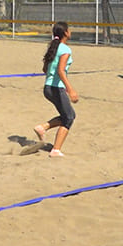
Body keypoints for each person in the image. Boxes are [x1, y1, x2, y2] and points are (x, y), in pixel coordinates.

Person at [32, 21, 78, 157]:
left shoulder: (53, 47)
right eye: (69, 30)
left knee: (67, 115)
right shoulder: (65, 49)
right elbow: (61, 71)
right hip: (57, 88)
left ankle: (43, 128)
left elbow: (45, 69)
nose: (70, 32)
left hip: (48, 87)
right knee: (69, 117)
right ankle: (55, 150)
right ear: (65, 33)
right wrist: (70, 90)